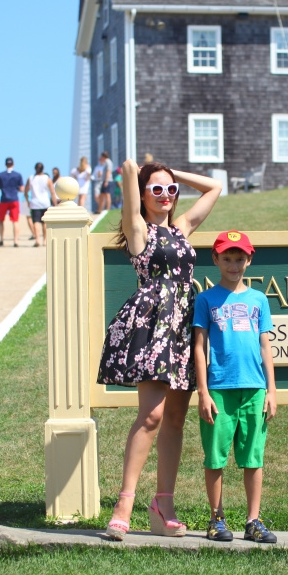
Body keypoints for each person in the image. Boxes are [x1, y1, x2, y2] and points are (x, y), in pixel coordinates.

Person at [97, 158, 222, 540]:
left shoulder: (182, 229)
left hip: (183, 328)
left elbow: (214, 188)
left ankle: (163, 504)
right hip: (152, 328)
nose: (166, 196)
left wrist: (171, 174)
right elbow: (128, 174)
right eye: (157, 189)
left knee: (174, 422)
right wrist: (138, 172)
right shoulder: (138, 230)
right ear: (143, 193)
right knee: (150, 418)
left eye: (171, 191)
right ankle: (125, 504)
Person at [193, 230, 278, 544]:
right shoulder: (206, 299)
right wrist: (203, 392)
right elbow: (199, 347)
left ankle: (253, 521)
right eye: (227, 258)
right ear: (216, 260)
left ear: (249, 260)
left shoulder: (258, 300)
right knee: (215, 458)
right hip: (218, 388)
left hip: (254, 388)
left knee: (253, 457)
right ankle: (216, 519)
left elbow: (265, 346)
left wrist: (272, 391)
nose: (233, 264)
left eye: (239, 258)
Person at [0, 156, 25, 247]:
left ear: (5, 164)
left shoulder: (0, 175)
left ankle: (2, 239)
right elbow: (22, 189)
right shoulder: (18, 175)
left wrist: (2, 187)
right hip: (14, 200)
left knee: (1, 220)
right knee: (15, 221)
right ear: (13, 164)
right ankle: (15, 241)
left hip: (4, 200)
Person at [25, 162, 55, 247]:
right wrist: (55, 204)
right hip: (45, 203)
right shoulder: (47, 178)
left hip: (35, 203)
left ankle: (37, 239)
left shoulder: (31, 178)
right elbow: (52, 192)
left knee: (36, 222)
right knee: (44, 222)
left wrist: (28, 201)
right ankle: (45, 240)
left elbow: (26, 191)